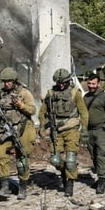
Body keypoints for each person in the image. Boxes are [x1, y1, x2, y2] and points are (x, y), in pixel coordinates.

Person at [38, 68, 89, 197]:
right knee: (55, 160)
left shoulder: (75, 93)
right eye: (59, 82)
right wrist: (42, 126)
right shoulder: (50, 94)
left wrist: (84, 129)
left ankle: (70, 184)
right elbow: (42, 112)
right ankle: (65, 174)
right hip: (56, 130)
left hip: (72, 128)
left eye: (64, 82)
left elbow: (83, 112)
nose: (61, 85)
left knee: (71, 160)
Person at [0, 67, 37, 200]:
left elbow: (32, 110)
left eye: (9, 81)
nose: (6, 84)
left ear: (14, 80)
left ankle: (22, 188)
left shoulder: (24, 93)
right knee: (1, 156)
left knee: (21, 160)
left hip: (22, 128)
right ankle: (4, 187)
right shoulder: (2, 93)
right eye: (4, 81)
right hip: (5, 128)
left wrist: (21, 105)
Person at [83, 72, 105, 194]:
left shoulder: (104, 97)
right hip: (90, 130)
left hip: (102, 129)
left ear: (99, 84)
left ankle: (102, 178)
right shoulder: (85, 97)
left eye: (93, 83)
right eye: (89, 83)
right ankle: (103, 176)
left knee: (102, 153)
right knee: (94, 155)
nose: (91, 86)